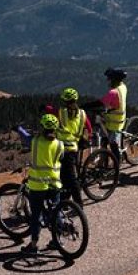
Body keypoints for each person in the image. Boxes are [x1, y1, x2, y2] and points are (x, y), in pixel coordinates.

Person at [21, 113, 64, 255]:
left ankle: (33, 245)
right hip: (54, 182)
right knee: (56, 210)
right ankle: (57, 240)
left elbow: (26, 138)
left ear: (42, 128)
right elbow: (60, 158)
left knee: (36, 215)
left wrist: (19, 129)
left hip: (38, 185)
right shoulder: (59, 144)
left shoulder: (35, 141)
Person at [55, 87, 90, 205]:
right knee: (65, 176)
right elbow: (86, 126)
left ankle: (78, 204)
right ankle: (65, 202)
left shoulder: (62, 111)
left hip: (62, 148)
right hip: (74, 147)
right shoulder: (82, 113)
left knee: (69, 178)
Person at [101, 67, 128, 168]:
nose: (108, 81)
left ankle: (117, 165)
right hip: (119, 118)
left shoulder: (113, 92)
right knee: (107, 139)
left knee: (113, 145)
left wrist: (85, 106)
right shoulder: (123, 86)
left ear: (114, 80)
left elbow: (100, 103)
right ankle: (106, 162)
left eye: (109, 79)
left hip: (115, 122)